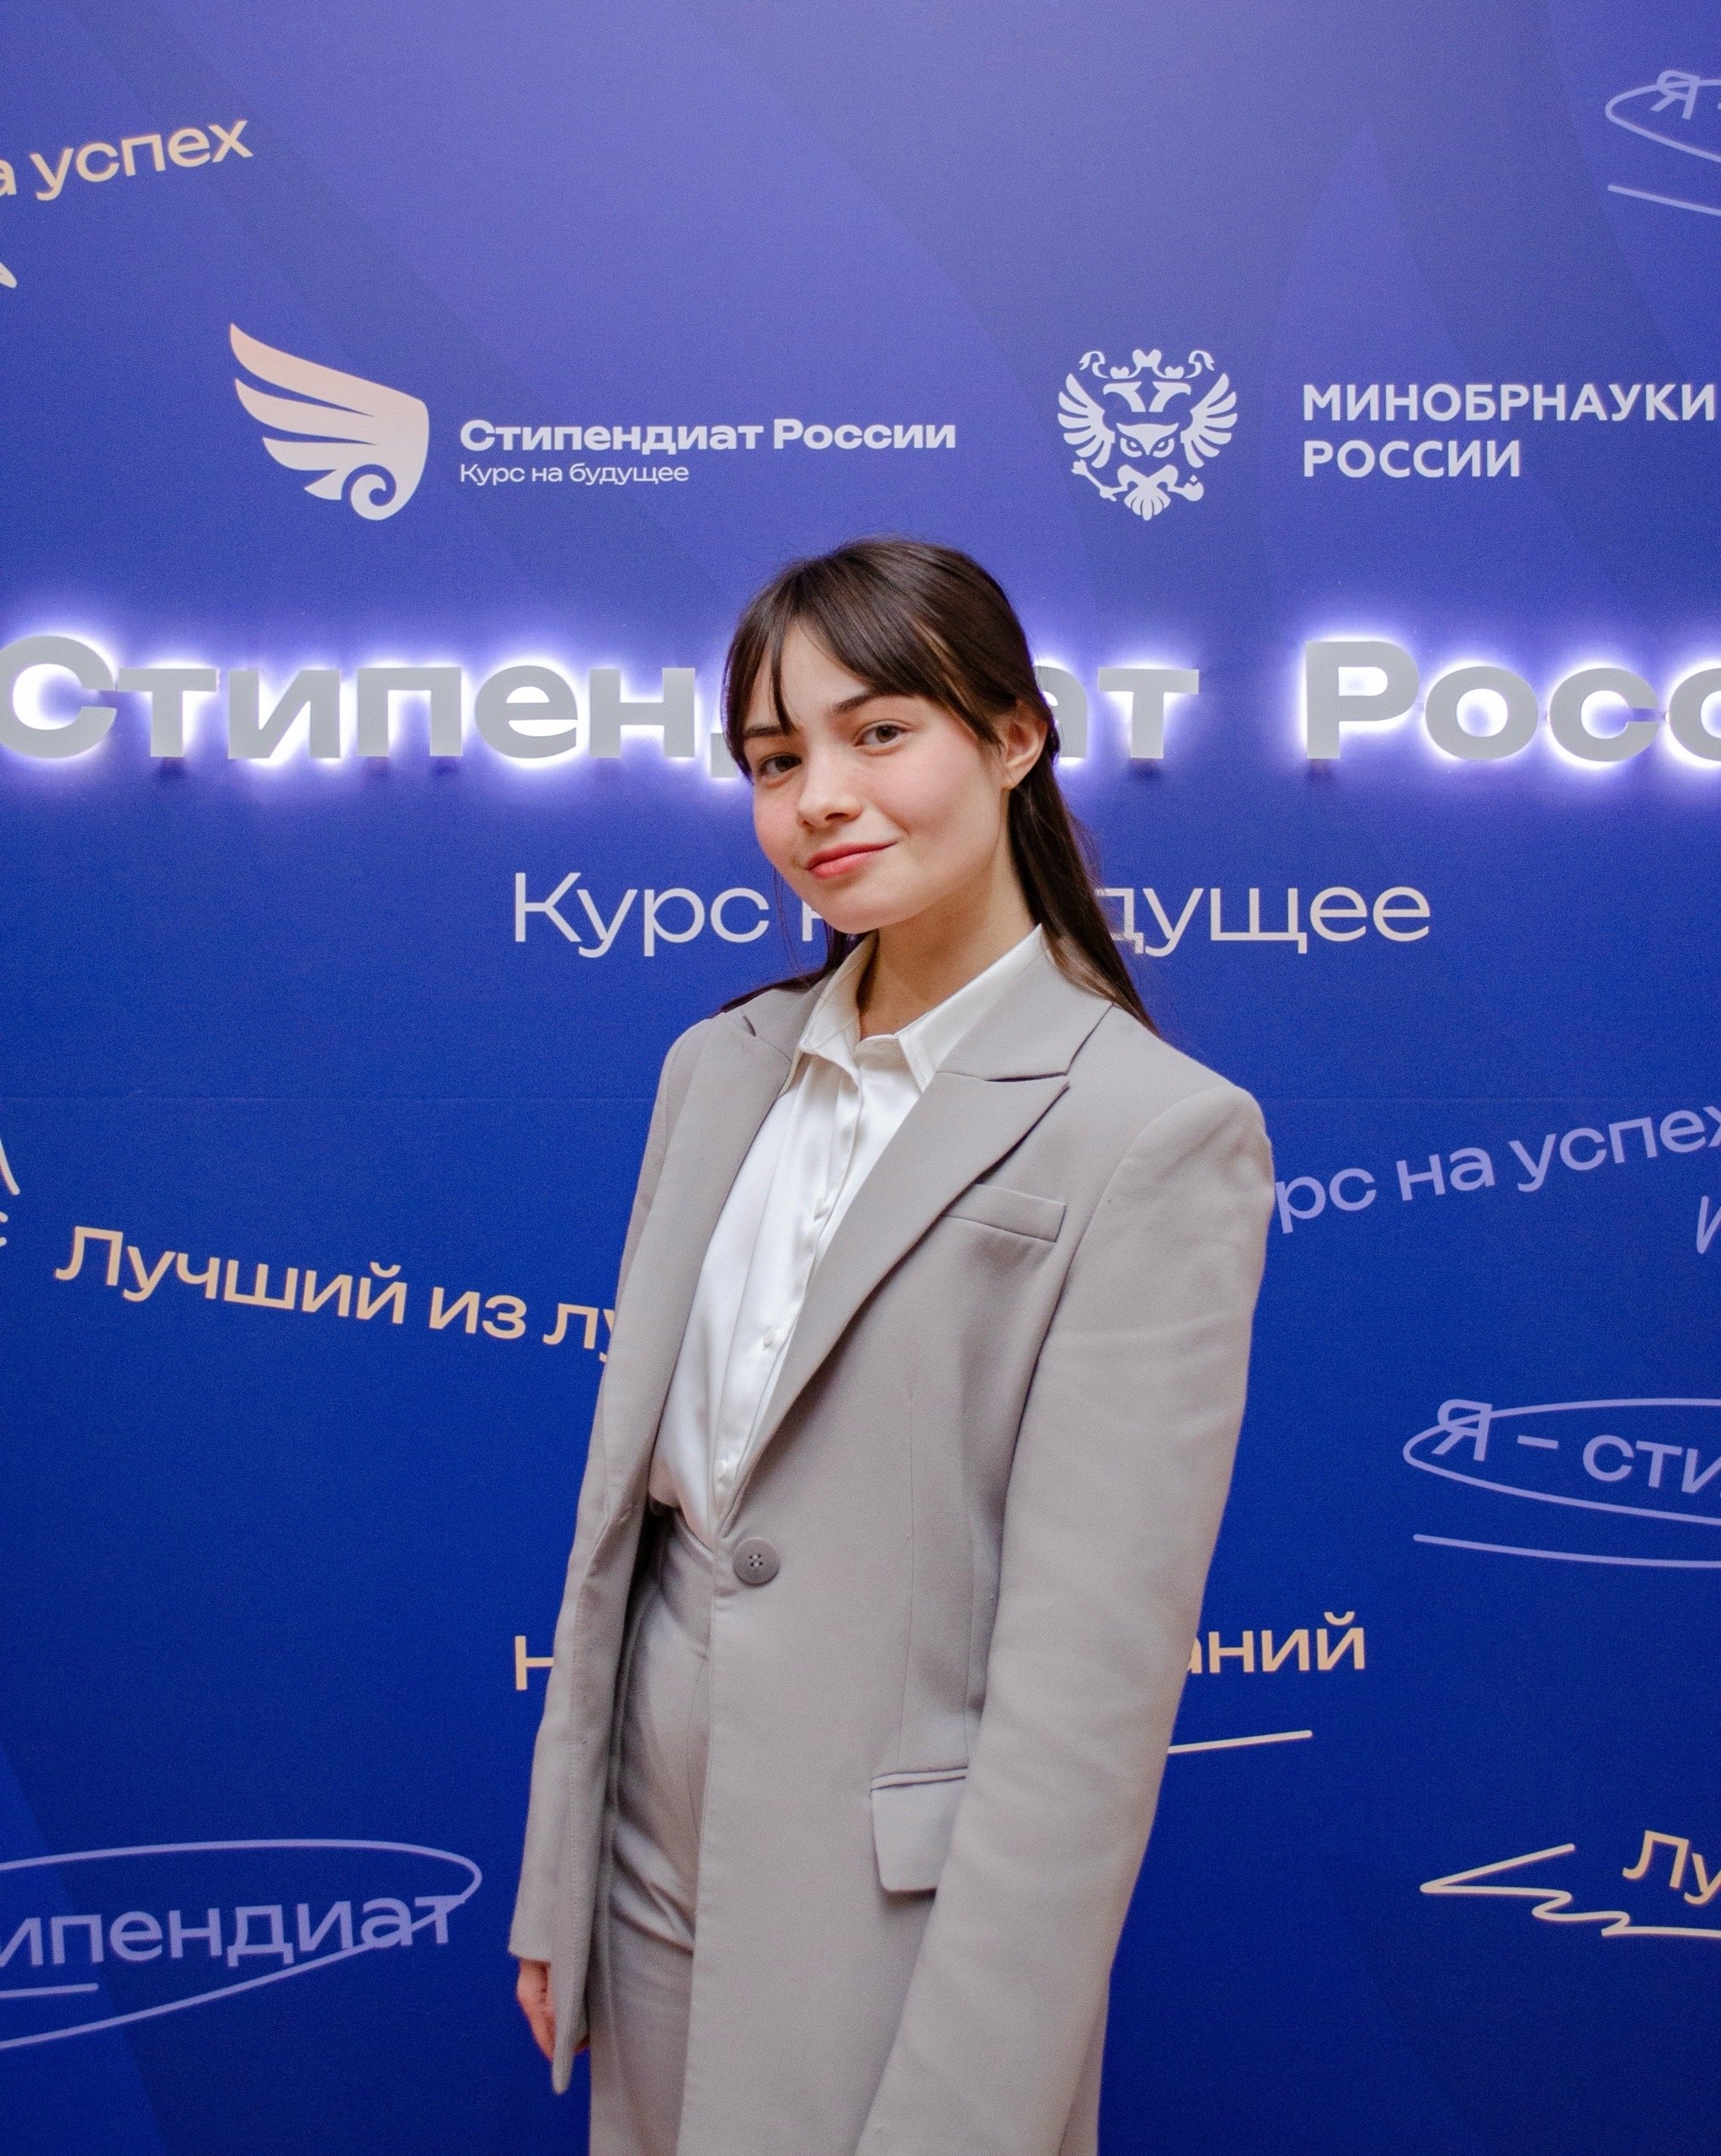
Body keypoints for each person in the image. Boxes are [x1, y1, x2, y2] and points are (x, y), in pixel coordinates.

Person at [510, 538, 1274, 2156]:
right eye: (775, 761)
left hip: (898, 1914)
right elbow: (630, 1530)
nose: (823, 800)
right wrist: (561, 1871)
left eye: (877, 733)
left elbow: (1086, 1695)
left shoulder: (1155, 1129)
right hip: (648, 1872)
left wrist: (977, 2102)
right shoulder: (716, 1069)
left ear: (1014, 737)